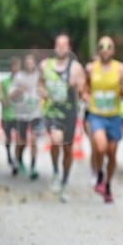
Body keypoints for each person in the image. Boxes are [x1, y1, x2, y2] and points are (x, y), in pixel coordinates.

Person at [39, 33, 87, 202]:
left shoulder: (76, 68)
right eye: (58, 45)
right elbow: (39, 84)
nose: (60, 48)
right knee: (55, 139)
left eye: (64, 45)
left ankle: (65, 181)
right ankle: (55, 172)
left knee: (67, 149)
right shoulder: (45, 65)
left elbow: (83, 90)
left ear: (69, 48)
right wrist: (43, 93)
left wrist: (77, 86)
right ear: (54, 47)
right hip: (52, 111)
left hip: (69, 112)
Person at [86, 36, 123, 203]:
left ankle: (108, 185)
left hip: (114, 116)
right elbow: (85, 87)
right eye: (102, 46)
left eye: (109, 46)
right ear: (98, 50)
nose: (105, 49)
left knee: (111, 154)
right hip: (96, 114)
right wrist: (84, 94)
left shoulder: (120, 68)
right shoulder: (91, 68)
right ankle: (99, 174)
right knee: (100, 147)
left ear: (113, 50)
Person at [10, 52, 43, 180]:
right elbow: (11, 95)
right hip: (22, 114)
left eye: (31, 62)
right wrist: (19, 90)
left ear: (34, 63)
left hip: (36, 113)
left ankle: (33, 167)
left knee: (34, 140)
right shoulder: (19, 76)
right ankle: (18, 160)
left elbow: (45, 90)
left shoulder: (39, 76)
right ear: (24, 64)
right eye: (27, 62)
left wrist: (43, 92)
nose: (29, 64)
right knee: (21, 142)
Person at [0, 56, 20, 174]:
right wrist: (11, 96)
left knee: (20, 138)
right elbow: (2, 101)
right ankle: (9, 156)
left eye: (18, 67)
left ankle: (16, 160)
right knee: (9, 138)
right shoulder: (4, 82)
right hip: (7, 116)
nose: (16, 69)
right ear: (10, 68)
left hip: (19, 116)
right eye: (14, 66)